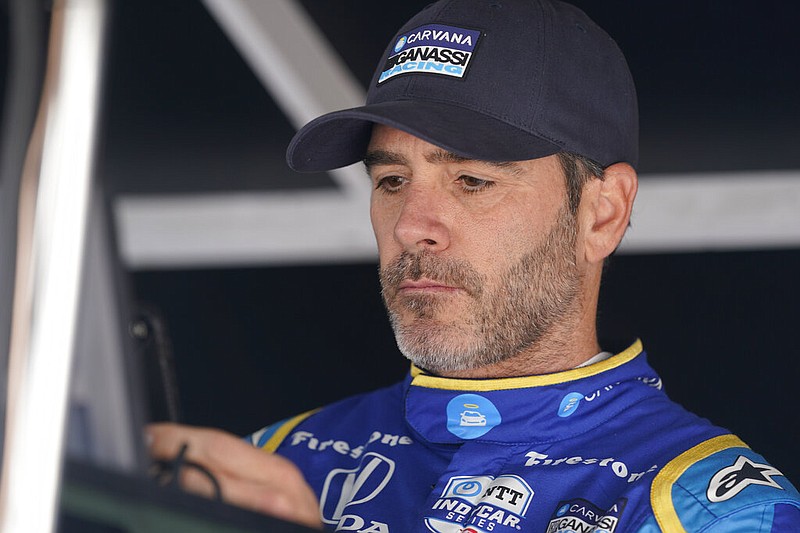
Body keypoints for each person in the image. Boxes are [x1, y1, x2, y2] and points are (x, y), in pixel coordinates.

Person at [149, 0, 800, 531]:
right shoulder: (273, 462)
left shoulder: (716, 508)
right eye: (393, 180)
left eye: (471, 180)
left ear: (602, 212)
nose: (411, 226)